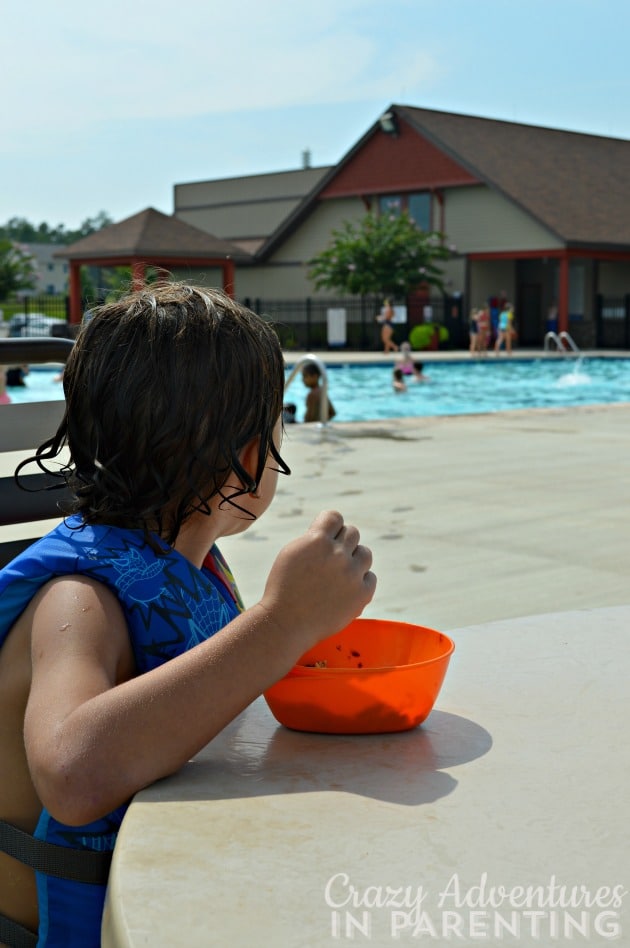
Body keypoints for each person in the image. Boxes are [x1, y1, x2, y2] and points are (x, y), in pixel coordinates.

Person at [0, 283, 375, 946]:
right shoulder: (80, 600)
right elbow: (71, 773)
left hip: (171, 881)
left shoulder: (198, 569)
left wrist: (299, 635)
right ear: (249, 454)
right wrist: (282, 624)